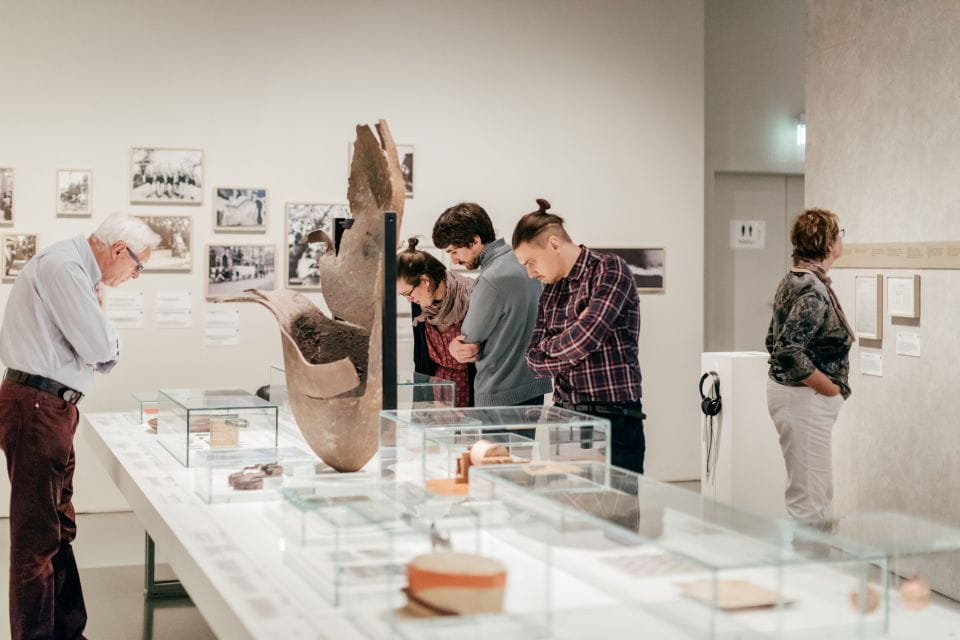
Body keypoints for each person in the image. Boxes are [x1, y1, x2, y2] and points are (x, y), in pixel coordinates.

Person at [0, 212, 159, 640]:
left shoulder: (73, 269)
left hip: (51, 405)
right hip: (38, 406)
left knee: (58, 527)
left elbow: (97, 348)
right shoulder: (64, 268)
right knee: (36, 540)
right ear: (119, 250)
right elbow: (101, 348)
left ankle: (67, 632)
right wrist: (108, 336)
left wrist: (103, 337)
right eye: (138, 265)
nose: (135, 275)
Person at [512, 199, 645, 473]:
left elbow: (586, 339)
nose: (530, 272)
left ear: (553, 244)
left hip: (613, 416)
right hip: (565, 416)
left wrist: (556, 344)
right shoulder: (551, 291)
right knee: (568, 507)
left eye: (531, 262)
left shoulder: (609, 270)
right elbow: (534, 360)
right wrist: (572, 337)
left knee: (616, 511)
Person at [766, 208, 852, 523]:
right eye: (839, 233)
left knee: (813, 491)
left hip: (797, 398)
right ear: (828, 243)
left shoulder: (796, 279)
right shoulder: (812, 289)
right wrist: (828, 388)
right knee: (810, 499)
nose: (842, 239)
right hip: (804, 399)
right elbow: (786, 350)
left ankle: (815, 564)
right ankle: (809, 566)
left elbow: (771, 339)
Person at [432, 202, 551, 408]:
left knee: (494, 442)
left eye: (454, 251)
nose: (453, 260)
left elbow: (467, 339)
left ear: (475, 240)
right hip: (533, 387)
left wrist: (454, 346)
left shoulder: (491, 279)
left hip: (499, 392)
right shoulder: (523, 263)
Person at [397, 237, 475, 407]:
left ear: (425, 281)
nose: (409, 300)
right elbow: (421, 357)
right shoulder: (421, 304)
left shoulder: (470, 295)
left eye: (407, 293)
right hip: (434, 389)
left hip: (471, 389)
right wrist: (421, 403)